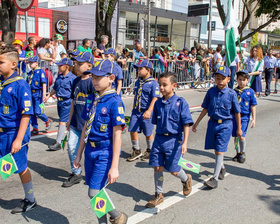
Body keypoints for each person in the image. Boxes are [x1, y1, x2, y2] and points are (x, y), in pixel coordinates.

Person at [73, 59, 128, 224]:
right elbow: (85, 128)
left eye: (98, 77)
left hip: (105, 152)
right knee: (97, 193)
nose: (94, 81)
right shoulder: (92, 98)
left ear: (111, 78)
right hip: (90, 151)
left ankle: (117, 216)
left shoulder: (114, 102)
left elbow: (117, 135)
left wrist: (115, 166)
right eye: (93, 77)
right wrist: (78, 155)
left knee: (93, 192)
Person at [145, 72, 193, 208]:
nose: (161, 88)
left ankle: (186, 178)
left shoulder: (180, 102)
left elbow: (186, 124)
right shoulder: (158, 103)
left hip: (174, 141)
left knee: (174, 170)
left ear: (174, 85)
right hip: (159, 140)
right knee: (157, 167)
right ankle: (158, 194)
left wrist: (185, 143)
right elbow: (155, 121)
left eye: (164, 85)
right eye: (159, 85)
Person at [192, 66, 242, 189]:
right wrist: (197, 122)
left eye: (223, 78)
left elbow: (237, 112)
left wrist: (239, 128)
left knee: (220, 150)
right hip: (213, 123)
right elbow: (205, 108)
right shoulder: (211, 92)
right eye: (217, 78)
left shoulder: (231, 94)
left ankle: (214, 178)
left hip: (225, 124)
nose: (219, 81)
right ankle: (222, 168)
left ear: (228, 79)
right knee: (216, 149)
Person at [0, 46, 36, 213]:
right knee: (5, 168)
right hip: (1, 133)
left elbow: (26, 114)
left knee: (21, 168)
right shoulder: (2, 83)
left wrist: (18, 139)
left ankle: (30, 199)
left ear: (14, 64)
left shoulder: (20, 85)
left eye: (1, 62)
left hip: (13, 133)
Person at [62, 51, 94, 187]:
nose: (77, 66)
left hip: (88, 124)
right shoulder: (75, 81)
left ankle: (92, 174)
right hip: (75, 122)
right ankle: (76, 172)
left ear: (89, 66)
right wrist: (69, 120)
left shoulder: (92, 83)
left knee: (90, 151)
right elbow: (73, 103)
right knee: (71, 146)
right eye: (76, 63)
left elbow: (94, 104)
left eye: (80, 64)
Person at [127, 60, 160, 162]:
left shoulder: (153, 83)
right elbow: (136, 95)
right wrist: (133, 108)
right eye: (138, 69)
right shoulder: (138, 81)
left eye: (141, 69)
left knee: (148, 132)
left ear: (148, 70)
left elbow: (155, 98)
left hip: (146, 111)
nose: (138, 71)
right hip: (136, 111)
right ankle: (136, 150)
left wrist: (149, 111)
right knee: (132, 130)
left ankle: (150, 151)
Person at [44, 58, 76, 151]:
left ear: (66, 67)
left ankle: (58, 142)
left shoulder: (72, 78)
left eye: (60, 65)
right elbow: (55, 88)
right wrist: (49, 95)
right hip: (60, 101)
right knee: (67, 122)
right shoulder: (59, 76)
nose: (58, 67)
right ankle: (71, 139)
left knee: (62, 121)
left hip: (67, 102)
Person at [232, 70, 257, 163]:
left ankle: (242, 152)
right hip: (234, 116)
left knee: (241, 135)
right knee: (235, 136)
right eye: (239, 79)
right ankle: (237, 152)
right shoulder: (234, 91)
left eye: (244, 80)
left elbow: (253, 106)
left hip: (244, 117)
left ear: (247, 80)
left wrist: (254, 119)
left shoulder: (250, 92)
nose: (241, 82)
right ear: (237, 80)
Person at [26, 56, 52, 135]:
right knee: (32, 112)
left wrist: (44, 94)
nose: (30, 64)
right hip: (30, 93)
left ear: (37, 63)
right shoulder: (31, 73)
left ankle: (47, 120)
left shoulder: (40, 72)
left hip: (38, 93)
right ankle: (35, 127)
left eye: (32, 63)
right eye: (30, 63)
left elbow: (44, 83)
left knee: (37, 111)